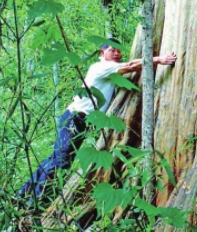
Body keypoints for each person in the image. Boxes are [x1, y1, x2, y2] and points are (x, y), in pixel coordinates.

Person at [17, 41, 177, 200]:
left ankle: (24, 194)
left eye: (119, 51)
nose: (116, 54)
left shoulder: (109, 71)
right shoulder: (102, 67)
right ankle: (35, 200)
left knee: (58, 158)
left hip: (79, 121)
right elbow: (130, 66)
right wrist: (159, 60)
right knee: (61, 160)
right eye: (112, 50)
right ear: (102, 53)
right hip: (74, 119)